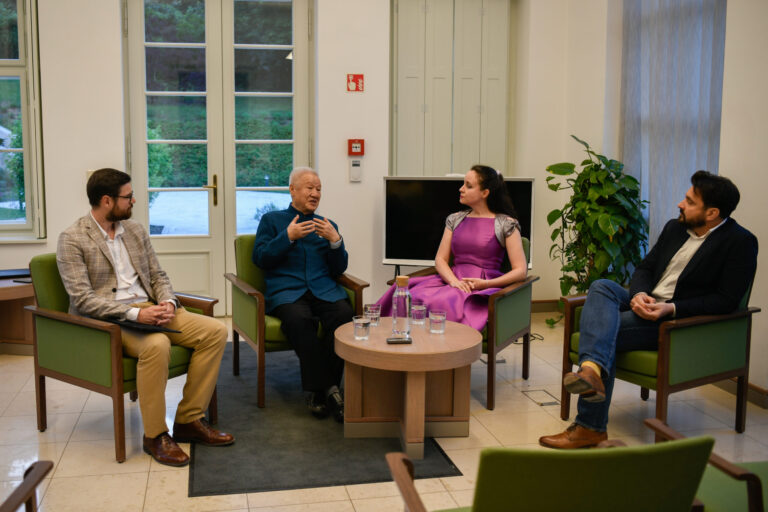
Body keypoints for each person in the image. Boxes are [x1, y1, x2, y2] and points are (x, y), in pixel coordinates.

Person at [539, 170, 758, 449]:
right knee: (602, 286)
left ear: (712, 213)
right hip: (648, 301)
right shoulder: (675, 228)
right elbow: (645, 268)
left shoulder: (740, 242)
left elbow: (726, 300)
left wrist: (671, 308)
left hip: (672, 322)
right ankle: (591, 373)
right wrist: (639, 294)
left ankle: (590, 425)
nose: (680, 204)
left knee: (604, 333)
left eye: (690, 201)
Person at [57, 168, 234, 467]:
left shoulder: (135, 230)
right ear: (107, 201)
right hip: (112, 320)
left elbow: (157, 275)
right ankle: (155, 435)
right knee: (156, 345)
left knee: (215, 331)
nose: (134, 200)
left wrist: (167, 301)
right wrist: (137, 314)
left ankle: (189, 419)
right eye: (128, 197)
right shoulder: (72, 238)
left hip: (151, 307)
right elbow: (83, 300)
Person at [252, 167, 352, 422]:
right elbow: (260, 258)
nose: (315, 193)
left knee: (343, 314)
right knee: (299, 320)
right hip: (287, 292)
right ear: (292, 190)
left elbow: (339, 269)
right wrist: (287, 237)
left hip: (324, 290)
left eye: (318, 189)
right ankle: (329, 391)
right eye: (309, 187)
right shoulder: (272, 220)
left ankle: (320, 391)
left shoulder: (327, 226)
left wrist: (335, 241)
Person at [377, 165, 528, 331]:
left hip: (482, 286)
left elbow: (520, 271)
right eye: (463, 184)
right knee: (411, 294)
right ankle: (406, 340)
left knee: (441, 301)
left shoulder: (506, 224)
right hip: (452, 279)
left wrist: (486, 284)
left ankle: (441, 345)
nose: (461, 189)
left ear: (485, 193)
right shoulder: (455, 219)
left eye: (468, 186)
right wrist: (454, 282)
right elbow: (440, 259)